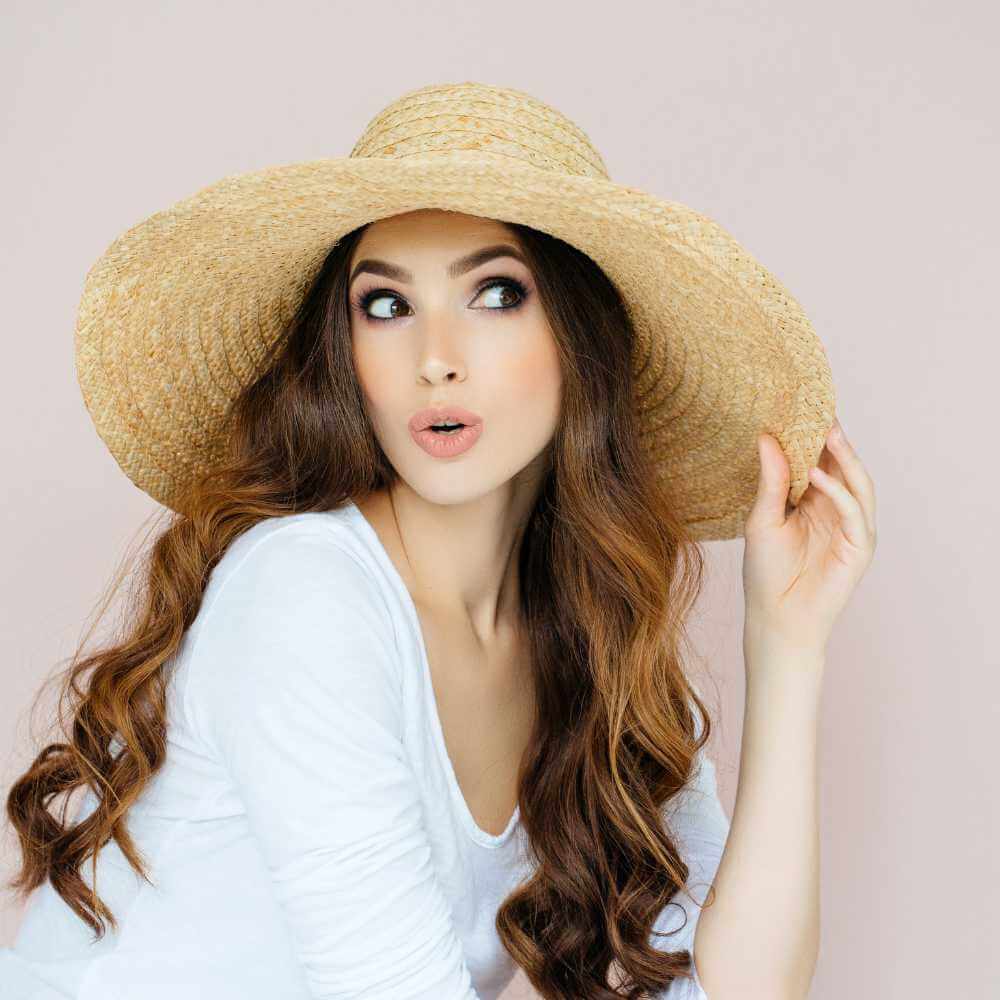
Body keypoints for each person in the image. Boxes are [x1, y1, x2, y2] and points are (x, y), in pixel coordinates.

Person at [1, 81, 876, 999]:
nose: (434, 357)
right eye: (385, 306)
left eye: (496, 293)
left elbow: (735, 990)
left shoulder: (581, 633)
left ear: (582, 339)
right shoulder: (305, 593)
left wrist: (786, 648)